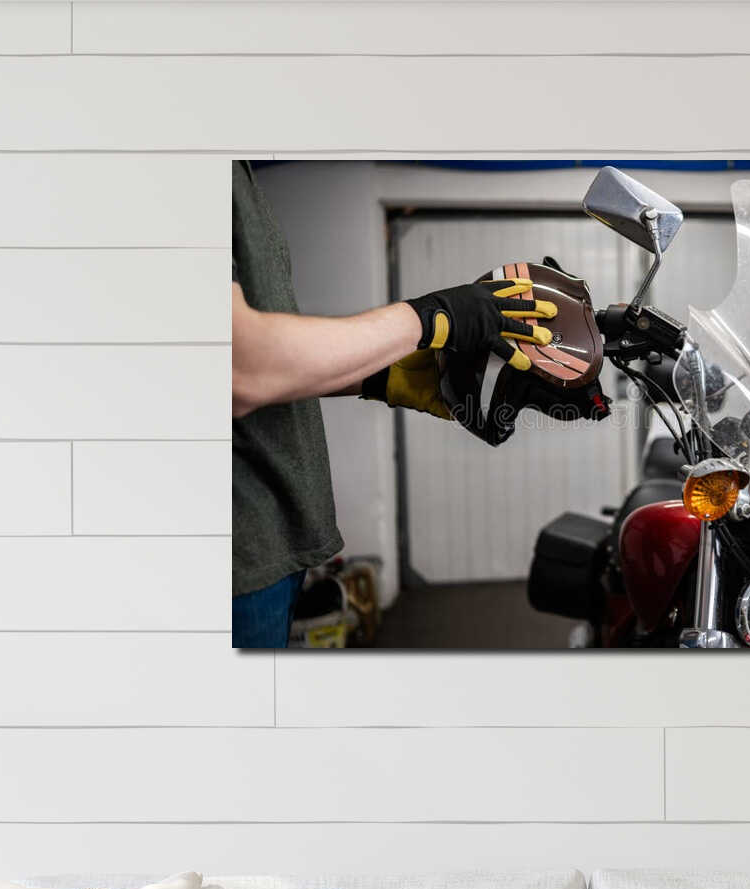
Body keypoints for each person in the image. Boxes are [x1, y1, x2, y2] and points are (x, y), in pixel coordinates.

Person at [230, 161, 556, 648]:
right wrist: (428, 317)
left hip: (274, 541)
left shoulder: (241, 174)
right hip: (241, 550)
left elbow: (267, 367)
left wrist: (384, 375)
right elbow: (240, 364)